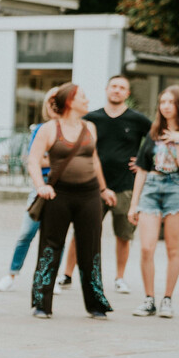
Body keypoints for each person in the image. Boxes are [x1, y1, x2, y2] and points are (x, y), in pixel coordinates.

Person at [55, 75, 153, 294]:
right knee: (82, 232)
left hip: (126, 186)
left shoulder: (137, 120)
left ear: (127, 93)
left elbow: (156, 139)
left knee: (124, 235)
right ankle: (67, 274)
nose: (117, 91)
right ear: (107, 89)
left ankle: (120, 277)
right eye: (114, 86)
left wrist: (144, 161)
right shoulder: (91, 119)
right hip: (92, 186)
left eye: (122, 88)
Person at [27, 82, 116, 318]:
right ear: (69, 102)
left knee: (91, 248)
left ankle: (96, 305)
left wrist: (104, 190)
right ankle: (41, 304)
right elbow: (33, 160)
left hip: (89, 195)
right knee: (50, 247)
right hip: (59, 195)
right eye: (83, 97)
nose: (87, 101)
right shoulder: (49, 129)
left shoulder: (90, 127)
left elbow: (95, 160)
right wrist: (41, 186)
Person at [128, 86, 179, 318]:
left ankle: (167, 299)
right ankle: (149, 298)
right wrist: (134, 204)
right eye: (162, 102)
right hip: (151, 187)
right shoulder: (153, 133)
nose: (166, 106)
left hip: (177, 189)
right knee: (146, 247)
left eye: (171, 102)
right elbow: (141, 170)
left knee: (173, 248)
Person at [0, 87, 64, 293]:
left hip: (62, 189)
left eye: (57, 101)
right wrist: (55, 158)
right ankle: (11, 275)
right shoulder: (39, 129)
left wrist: (47, 157)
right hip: (39, 187)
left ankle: (53, 277)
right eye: (50, 101)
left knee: (55, 237)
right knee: (26, 233)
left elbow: (51, 159)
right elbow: (34, 160)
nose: (53, 105)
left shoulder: (70, 131)